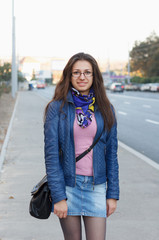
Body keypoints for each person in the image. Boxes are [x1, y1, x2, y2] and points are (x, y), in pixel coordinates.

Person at [44, 52, 119, 240]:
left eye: (87, 72)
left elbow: (111, 154)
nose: (82, 77)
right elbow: (52, 156)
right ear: (69, 76)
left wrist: (113, 194)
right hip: (68, 186)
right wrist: (59, 196)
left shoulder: (106, 109)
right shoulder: (57, 108)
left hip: (97, 187)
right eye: (76, 72)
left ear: (95, 77)